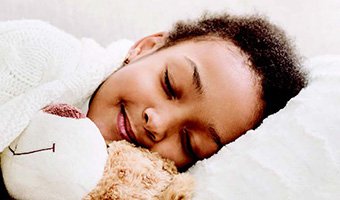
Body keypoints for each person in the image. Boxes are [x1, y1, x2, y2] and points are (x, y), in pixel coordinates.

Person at [0, 13, 307, 172]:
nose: (156, 123)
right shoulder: (37, 53)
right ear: (146, 47)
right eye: (169, 85)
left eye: (189, 142)